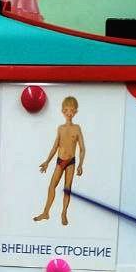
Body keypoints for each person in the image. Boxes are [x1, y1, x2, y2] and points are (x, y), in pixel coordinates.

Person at [35, 95, 86, 225]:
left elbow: (82, 148)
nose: (69, 113)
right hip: (60, 160)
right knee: (52, 186)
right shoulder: (60, 129)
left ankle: (63, 213)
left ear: (75, 112)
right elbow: (55, 146)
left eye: (72, 110)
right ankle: (46, 212)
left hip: (71, 162)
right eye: (67, 110)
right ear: (63, 111)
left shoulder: (77, 128)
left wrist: (80, 164)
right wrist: (47, 162)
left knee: (67, 188)